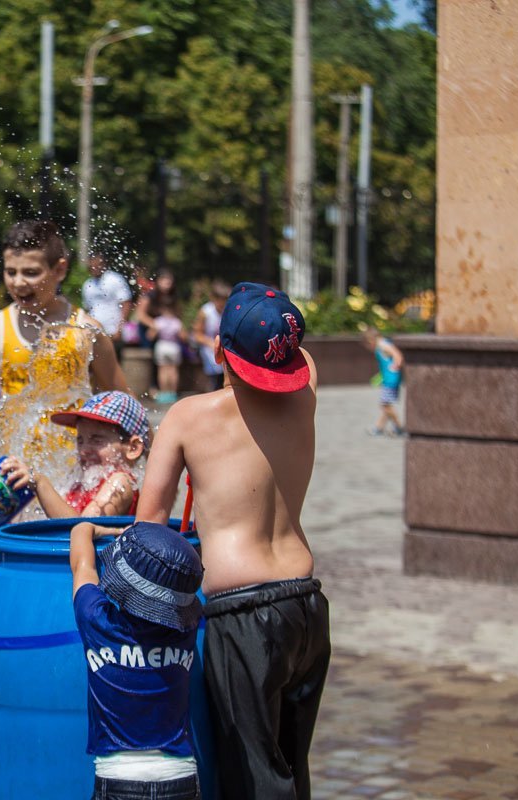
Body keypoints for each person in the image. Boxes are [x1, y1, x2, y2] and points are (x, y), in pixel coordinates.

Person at [136, 282, 330, 800]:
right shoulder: (307, 391)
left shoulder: (187, 417)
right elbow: (299, 355)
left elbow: (149, 527)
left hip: (243, 617)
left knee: (254, 782)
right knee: (291, 769)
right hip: (306, 607)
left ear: (219, 348)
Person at [0, 221, 128, 418]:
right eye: (11, 272)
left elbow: (124, 404)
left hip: (70, 448)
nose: (18, 282)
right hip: (9, 448)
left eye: (31, 273)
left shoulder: (87, 330)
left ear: (60, 270)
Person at [69, 520, 204, 800]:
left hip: (118, 778)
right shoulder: (187, 629)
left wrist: (99, 530)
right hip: (180, 777)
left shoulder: (95, 620)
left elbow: (83, 562)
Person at [0, 391, 149, 519]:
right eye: (80, 440)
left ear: (132, 448)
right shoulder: (82, 484)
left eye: (97, 440)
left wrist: (40, 483)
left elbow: (83, 529)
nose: (84, 450)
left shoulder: (121, 482)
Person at [141, 296, 186, 405]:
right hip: (174, 346)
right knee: (173, 371)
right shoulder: (177, 322)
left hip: (162, 346)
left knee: (163, 370)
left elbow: (150, 336)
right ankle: (173, 393)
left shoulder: (158, 321)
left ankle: (164, 393)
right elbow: (183, 336)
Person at [362, 327, 406, 436]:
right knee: (386, 405)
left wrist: (395, 366)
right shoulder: (382, 345)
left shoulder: (383, 345)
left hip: (391, 380)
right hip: (390, 379)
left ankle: (399, 427)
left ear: (371, 340)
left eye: (367, 344)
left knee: (385, 405)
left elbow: (398, 356)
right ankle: (379, 428)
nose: (368, 347)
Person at [81, 252, 133, 343]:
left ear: (103, 264)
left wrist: (119, 329)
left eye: (97, 265)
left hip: (113, 331)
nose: (94, 268)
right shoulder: (87, 284)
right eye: (92, 265)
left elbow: (126, 304)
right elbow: (87, 309)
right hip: (94, 332)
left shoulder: (115, 279)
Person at [191, 281, 230, 392]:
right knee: (214, 381)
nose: (222, 303)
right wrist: (210, 343)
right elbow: (197, 334)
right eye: (220, 300)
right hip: (209, 348)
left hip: (223, 349)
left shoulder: (228, 311)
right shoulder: (206, 312)